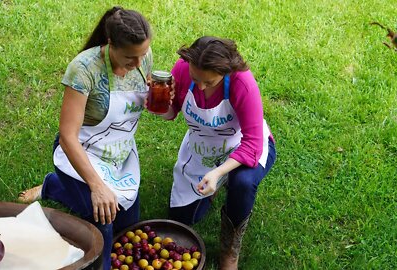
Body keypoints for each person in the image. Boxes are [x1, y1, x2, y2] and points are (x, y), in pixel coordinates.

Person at [17, 6, 152, 269]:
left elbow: (149, 99)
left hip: (120, 153)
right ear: (110, 43)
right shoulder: (83, 70)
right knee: (105, 220)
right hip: (81, 151)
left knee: (128, 223)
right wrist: (97, 187)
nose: (138, 64)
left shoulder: (141, 57)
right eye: (130, 58)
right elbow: (68, 137)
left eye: (142, 55)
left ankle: (54, 187)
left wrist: (162, 102)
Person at [157, 36, 277, 269]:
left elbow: (253, 145)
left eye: (209, 82)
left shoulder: (242, 83)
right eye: (195, 79)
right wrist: (159, 105)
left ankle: (230, 253)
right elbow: (171, 113)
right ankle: (212, 189)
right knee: (182, 220)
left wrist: (218, 173)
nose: (200, 86)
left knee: (242, 183)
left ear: (226, 72)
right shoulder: (182, 68)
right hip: (203, 147)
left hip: (243, 145)